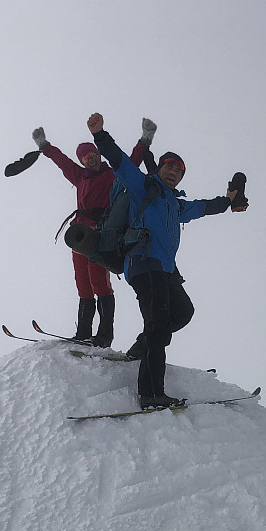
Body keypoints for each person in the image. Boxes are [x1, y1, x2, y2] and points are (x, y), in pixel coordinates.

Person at [86, 112, 244, 409]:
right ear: (160, 168)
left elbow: (203, 207)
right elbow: (119, 161)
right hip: (143, 262)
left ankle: (142, 344)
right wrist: (100, 135)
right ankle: (150, 393)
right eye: (169, 165)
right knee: (158, 325)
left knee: (183, 312)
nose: (174, 171)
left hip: (166, 269)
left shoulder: (175, 204)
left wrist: (228, 199)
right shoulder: (143, 186)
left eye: (179, 169)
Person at [30, 118, 157, 346]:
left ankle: (104, 336)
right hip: (79, 236)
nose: (89, 159)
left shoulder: (113, 174)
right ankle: (83, 334)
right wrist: (44, 145)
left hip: (101, 235)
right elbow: (62, 161)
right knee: (82, 283)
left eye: (92, 154)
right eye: (84, 157)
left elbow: (132, 162)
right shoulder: (79, 177)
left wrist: (145, 139)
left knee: (99, 282)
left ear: (99, 154)